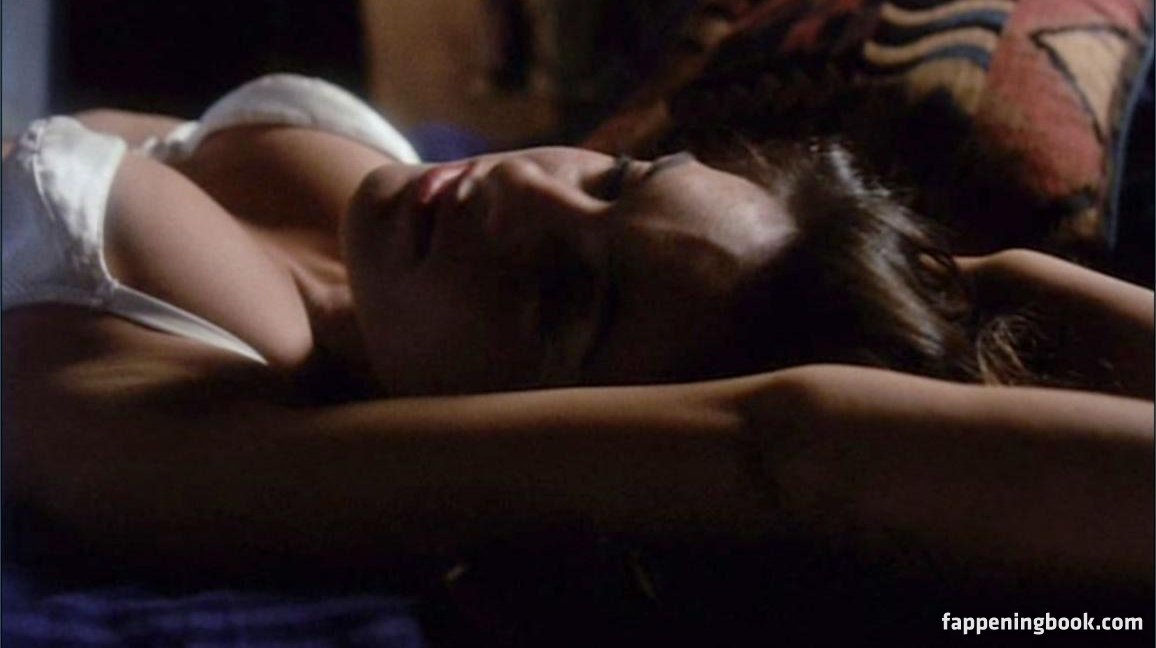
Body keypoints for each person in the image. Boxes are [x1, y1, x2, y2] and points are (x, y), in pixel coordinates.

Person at [1, 75, 1151, 593]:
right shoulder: (410, 260)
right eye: (618, 180)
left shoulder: (200, 453)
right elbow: (978, 294)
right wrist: (968, 286)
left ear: (571, 428)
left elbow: (792, 454)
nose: (521, 190)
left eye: (562, 297)